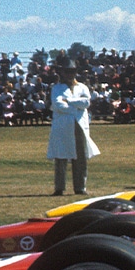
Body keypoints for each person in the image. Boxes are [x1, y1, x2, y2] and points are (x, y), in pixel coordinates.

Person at [47, 55, 100, 195]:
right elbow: (58, 105)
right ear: (62, 72)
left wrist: (69, 100)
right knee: (61, 157)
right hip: (62, 126)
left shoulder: (82, 87)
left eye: (72, 71)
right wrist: (75, 107)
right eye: (67, 71)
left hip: (80, 125)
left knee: (81, 157)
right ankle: (59, 188)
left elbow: (86, 103)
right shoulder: (57, 88)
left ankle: (80, 187)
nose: (70, 74)